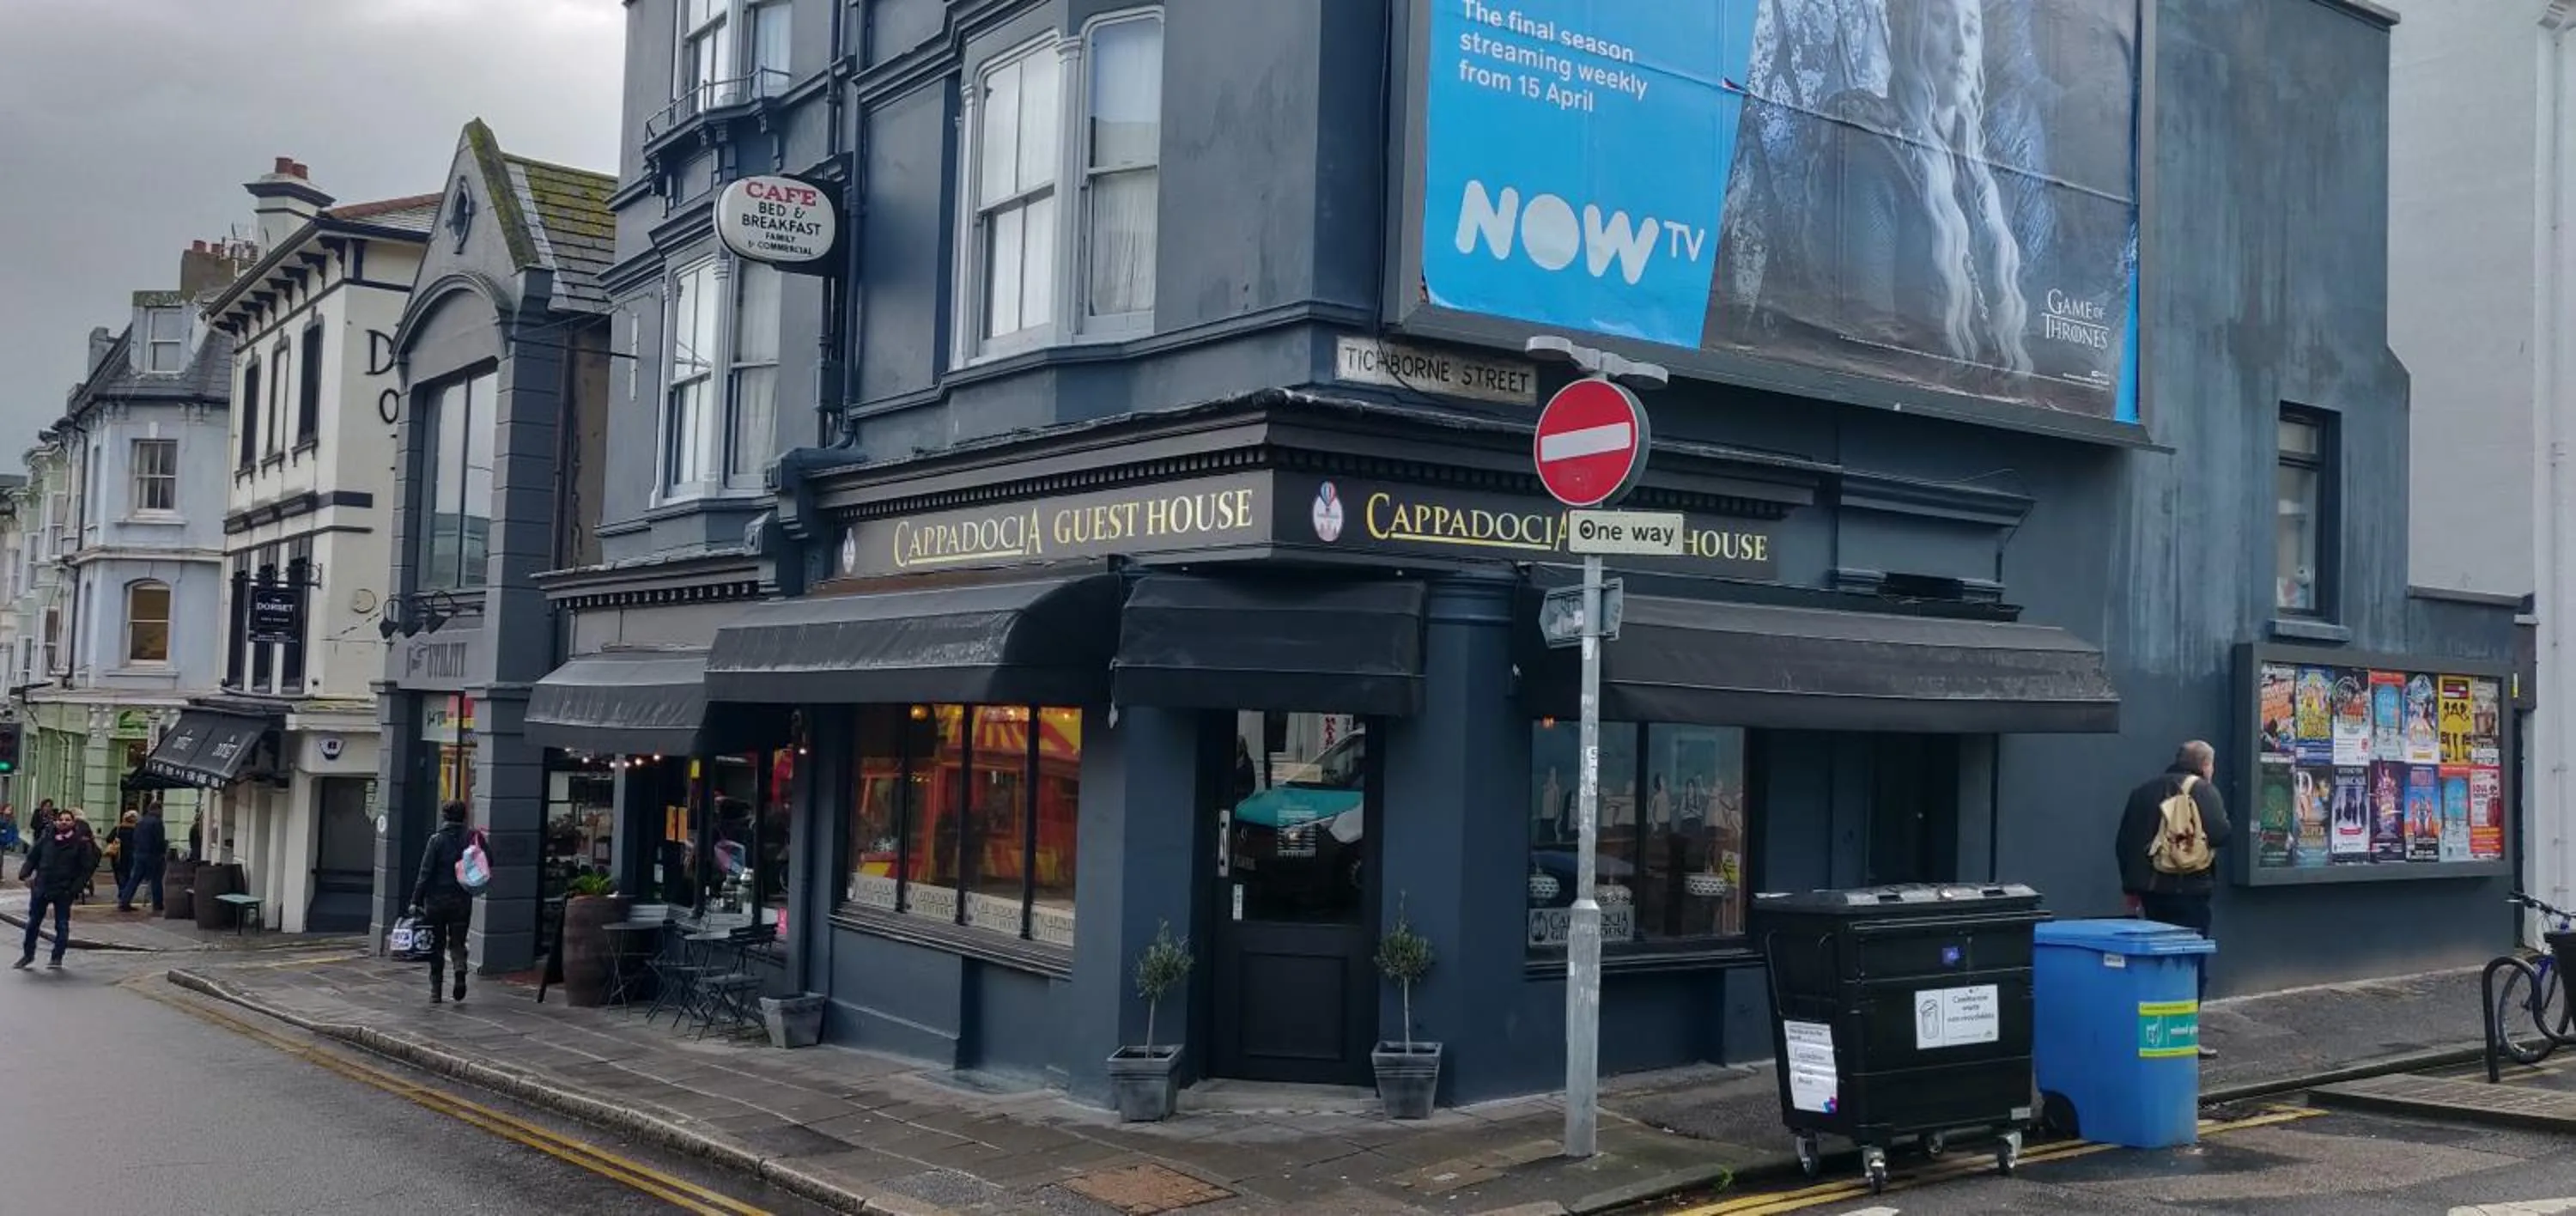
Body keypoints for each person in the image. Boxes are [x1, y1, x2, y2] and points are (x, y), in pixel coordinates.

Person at [2115, 739, 2233, 1059]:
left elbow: (2124, 842)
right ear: (2206, 764)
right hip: (2189, 892)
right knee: (2190, 963)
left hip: (2151, 894)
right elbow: (2221, 833)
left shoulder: (2142, 791)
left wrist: (2131, 889)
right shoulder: (2202, 790)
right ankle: (2182, 1036)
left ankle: (2153, 1033)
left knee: (2156, 963)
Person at [406, 800, 475, 1004]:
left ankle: (436, 991)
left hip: (436, 901)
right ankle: (460, 969)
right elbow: (486, 861)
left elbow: (425, 874)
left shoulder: (436, 840)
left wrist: (415, 900)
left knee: (437, 945)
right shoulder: (471, 839)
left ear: (445, 817)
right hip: (462, 898)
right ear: (463, 817)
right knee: (458, 941)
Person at [15, 809, 94, 970]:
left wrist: (74, 888)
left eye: (67, 819)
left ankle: (57, 957)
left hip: (64, 889)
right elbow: (32, 858)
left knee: (62, 924)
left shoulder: (80, 843)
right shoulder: (47, 839)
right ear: (56, 822)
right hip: (42, 886)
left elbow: (87, 869)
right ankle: (27, 955)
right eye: (61, 819)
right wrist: (25, 875)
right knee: (33, 924)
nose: (64, 822)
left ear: (73, 823)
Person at [118, 802, 167, 913]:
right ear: (158, 810)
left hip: (139, 854)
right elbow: (159, 840)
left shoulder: (140, 822)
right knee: (156, 880)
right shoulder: (157, 822)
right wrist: (162, 852)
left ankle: (124, 901)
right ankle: (158, 904)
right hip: (154, 855)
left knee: (134, 878)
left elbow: (135, 838)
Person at [103, 811, 137, 905]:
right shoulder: (137, 830)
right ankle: (125, 894)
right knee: (129, 876)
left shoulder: (118, 829)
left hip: (118, 856)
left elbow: (109, 839)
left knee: (120, 875)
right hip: (131, 856)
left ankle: (122, 892)